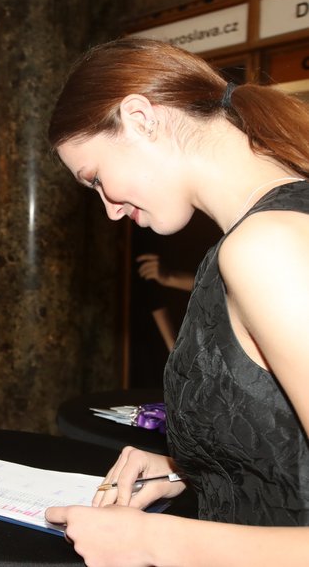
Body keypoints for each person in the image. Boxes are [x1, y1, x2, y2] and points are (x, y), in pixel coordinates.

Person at [43, 36, 309, 566]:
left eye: (95, 179)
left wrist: (150, 541)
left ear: (140, 118)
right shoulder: (257, 236)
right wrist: (195, 469)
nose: (110, 211)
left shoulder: (268, 246)